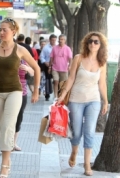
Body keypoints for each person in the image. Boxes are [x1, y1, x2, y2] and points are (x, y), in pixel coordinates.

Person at [0, 18, 40, 178]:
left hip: (15, 91)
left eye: (4, 30)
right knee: (1, 127)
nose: (1, 33)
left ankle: (5, 165)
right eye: (0, 29)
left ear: (13, 32)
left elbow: (36, 68)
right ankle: (6, 158)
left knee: (7, 126)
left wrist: (36, 91)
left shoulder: (20, 49)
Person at [57, 32, 108, 176]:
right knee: (77, 132)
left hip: (94, 100)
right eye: (90, 41)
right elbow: (71, 78)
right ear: (87, 43)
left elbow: (102, 84)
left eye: (96, 42)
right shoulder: (78, 58)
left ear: (100, 45)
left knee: (90, 131)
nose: (93, 44)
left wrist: (105, 101)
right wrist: (62, 95)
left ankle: (87, 165)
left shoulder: (102, 62)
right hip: (76, 100)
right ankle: (74, 151)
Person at [14, 61, 34, 151]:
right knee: (9, 119)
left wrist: (27, 68)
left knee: (19, 118)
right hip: (11, 93)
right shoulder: (8, 59)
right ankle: (6, 143)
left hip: (23, 93)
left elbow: (33, 72)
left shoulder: (24, 61)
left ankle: (14, 143)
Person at [49, 34, 72, 101]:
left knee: (63, 84)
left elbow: (70, 58)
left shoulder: (68, 49)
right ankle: (55, 96)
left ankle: (61, 96)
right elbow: (51, 58)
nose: (60, 40)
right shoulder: (54, 48)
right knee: (56, 81)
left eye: (62, 39)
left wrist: (70, 65)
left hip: (64, 69)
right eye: (59, 39)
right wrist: (50, 67)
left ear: (65, 40)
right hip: (55, 68)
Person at [40, 34, 57, 101]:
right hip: (47, 65)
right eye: (52, 40)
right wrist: (45, 62)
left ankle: (56, 94)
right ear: (50, 40)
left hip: (56, 66)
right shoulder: (46, 48)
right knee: (48, 80)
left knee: (56, 80)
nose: (53, 41)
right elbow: (41, 57)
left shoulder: (57, 47)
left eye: (55, 40)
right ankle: (47, 94)